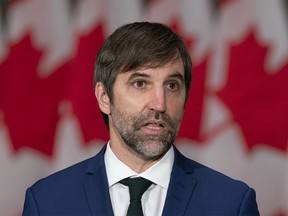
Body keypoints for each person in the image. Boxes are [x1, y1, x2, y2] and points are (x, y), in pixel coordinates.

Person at [23, 22, 259, 216]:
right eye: (140, 83)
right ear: (104, 97)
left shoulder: (231, 204)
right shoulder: (46, 202)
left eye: (172, 85)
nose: (160, 104)